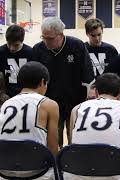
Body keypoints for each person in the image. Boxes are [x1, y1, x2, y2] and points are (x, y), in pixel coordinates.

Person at [33, 17, 95, 147]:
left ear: (61, 35)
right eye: (43, 37)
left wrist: (89, 97)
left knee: (75, 138)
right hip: (50, 102)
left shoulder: (77, 45)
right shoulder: (38, 49)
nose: (45, 41)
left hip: (75, 100)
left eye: (49, 38)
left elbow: (88, 74)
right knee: (53, 139)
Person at [67, 73, 120, 180]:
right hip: (114, 173)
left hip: (78, 172)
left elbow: (72, 145)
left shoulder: (77, 108)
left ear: (96, 92)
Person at [0, 61, 59, 179]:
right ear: (43, 82)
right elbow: (53, 148)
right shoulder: (49, 104)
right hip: (36, 171)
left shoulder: (6, 104)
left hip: (4, 170)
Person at [0, 25, 33, 97]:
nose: (12, 48)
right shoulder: (1, 52)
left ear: (22, 41)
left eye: (16, 45)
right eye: (9, 44)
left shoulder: (30, 52)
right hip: (6, 94)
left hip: (26, 94)